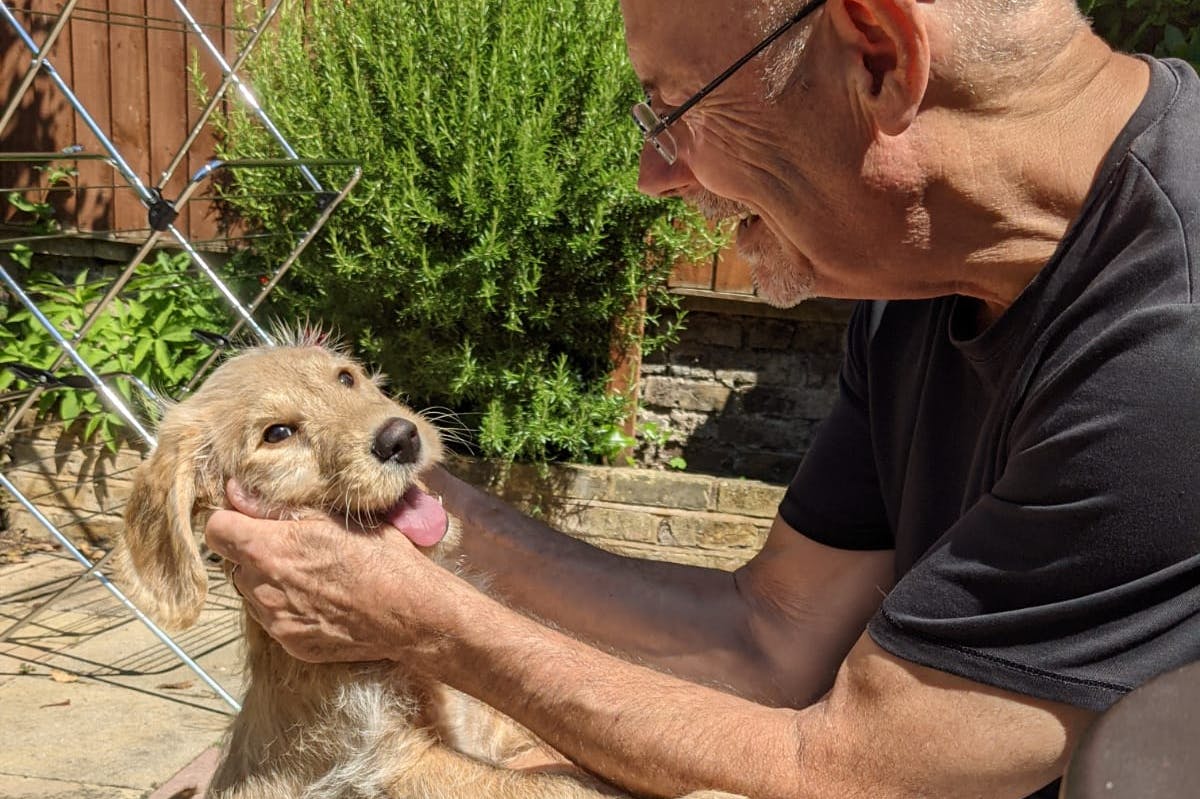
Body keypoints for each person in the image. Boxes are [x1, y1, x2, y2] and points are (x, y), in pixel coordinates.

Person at [204, 0, 1200, 796]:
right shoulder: (922, 278)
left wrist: (421, 625)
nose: (651, 172)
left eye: (677, 107)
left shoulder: (1167, 352)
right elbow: (768, 638)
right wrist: (429, 518)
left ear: (878, 56)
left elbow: (845, 771)